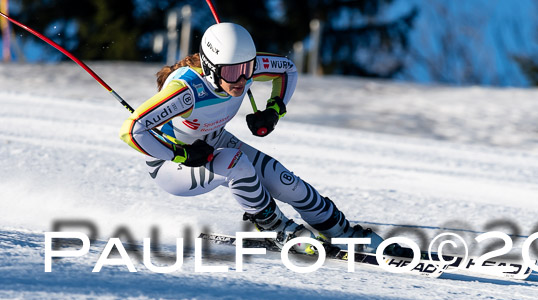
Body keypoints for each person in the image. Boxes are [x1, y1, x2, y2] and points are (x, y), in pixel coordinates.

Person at [120, 22, 382, 254]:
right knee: (236, 162)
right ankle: (275, 228)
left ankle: (344, 233)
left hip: (213, 141)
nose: (242, 79)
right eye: (233, 73)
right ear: (211, 69)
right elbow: (132, 130)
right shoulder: (186, 91)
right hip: (171, 164)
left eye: (247, 68)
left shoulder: (246, 69)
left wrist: (273, 111)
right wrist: (182, 154)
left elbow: (287, 69)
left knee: (286, 181)